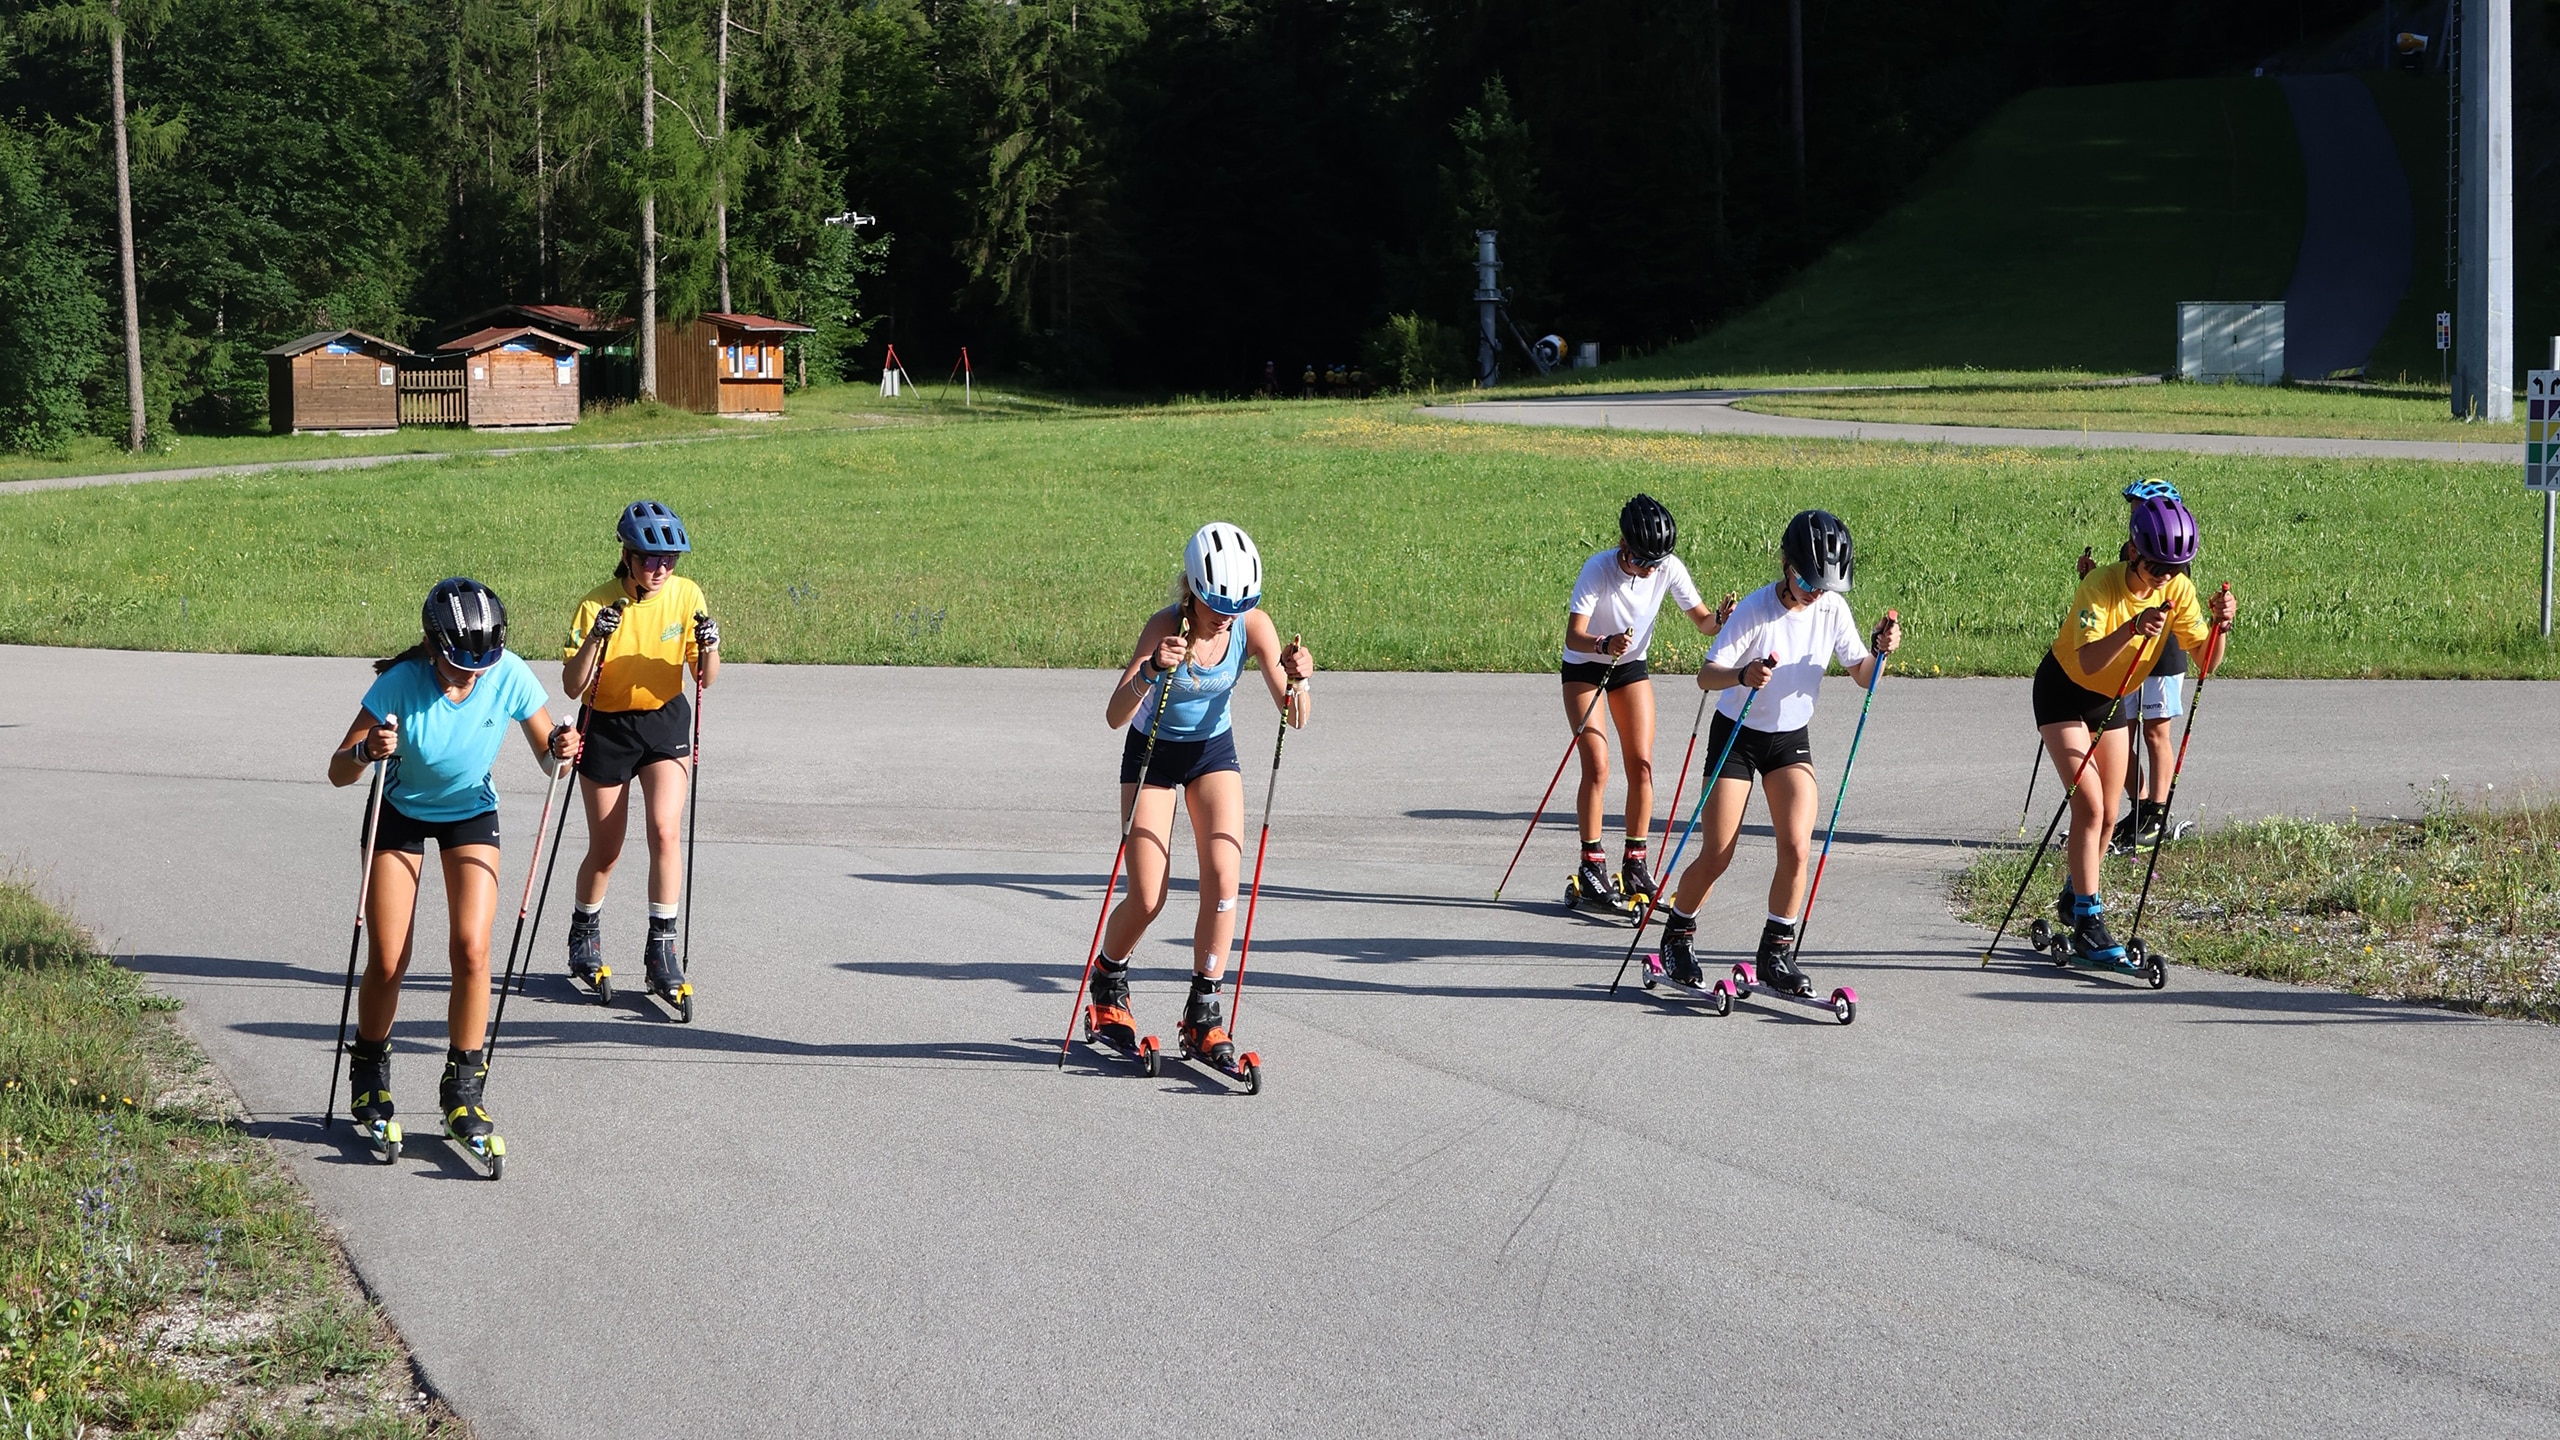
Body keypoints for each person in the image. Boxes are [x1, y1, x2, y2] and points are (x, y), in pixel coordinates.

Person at [328, 578, 579, 1161]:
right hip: (400, 812)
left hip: (471, 812)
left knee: (472, 949)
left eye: (482, 663)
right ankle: (368, 1070)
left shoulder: (508, 672)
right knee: (390, 956)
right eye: (460, 664)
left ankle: (463, 1088)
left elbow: (549, 759)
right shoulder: (399, 683)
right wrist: (367, 752)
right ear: (434, 645)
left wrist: (561, 749)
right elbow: (339, 771)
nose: (472, 675)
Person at [1090, 523, 1313, 1071]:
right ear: (1191, 588)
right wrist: (1150, 671)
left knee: (1223, 883)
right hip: (1152, 755)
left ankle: (1203, 1011)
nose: (1227, 616)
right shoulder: (1164, 626)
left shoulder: (1251, 626)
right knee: (1148, 896)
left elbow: (1296, 717)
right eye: (1216, 604)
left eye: (1239, 605)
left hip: (1212, 754)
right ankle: (1108, 978)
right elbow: (1116, 715)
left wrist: (1300, 681)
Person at [1655, 510, 1900, 995]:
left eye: (1826, 584)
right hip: (1737, 736)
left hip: (1790, 739)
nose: (1816, 591)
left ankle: (1775, 953)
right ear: (1786, 565)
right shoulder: (1755, 610)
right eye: (1808, 580)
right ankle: (1677, 935)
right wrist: (1742, 676)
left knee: (1797, 846)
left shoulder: (1831, 610)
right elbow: (1707, 676)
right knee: (1719, 852)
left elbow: (1862, 675)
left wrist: (1883, 652)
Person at [2033, 491, 2238, 967]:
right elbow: (2085, 661)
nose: (2165, 577)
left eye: (2176, 568)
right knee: (2088, 803)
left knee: (2109, 814)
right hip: (2064, 692)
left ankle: (2074, 893)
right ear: (2134, 551)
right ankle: (2088, 920)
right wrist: (2132, 629)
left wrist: (2220, 627)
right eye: (2156, 568)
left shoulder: (2177, 590)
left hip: (2110, 697)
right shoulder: (2101, 586)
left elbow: (2205, 662)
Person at [560, 500, 719, 1009]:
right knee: (607, 847)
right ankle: (584, 934)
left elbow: (703, 679)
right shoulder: (595, 604)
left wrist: (710, 646)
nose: (661, 568)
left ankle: (662, 951)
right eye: (650, 558)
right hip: (606, 726)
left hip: (664, 719)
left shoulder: (687, 595)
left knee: (665, 829)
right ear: (627, 556)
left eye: (669, 559)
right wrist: (596, 640)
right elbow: (571, 686)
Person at [1560, 494, 1734, 915]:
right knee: (1597, 764)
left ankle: (1635, 862)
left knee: (1641, 764)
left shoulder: (1667, 567)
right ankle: (1591, 862)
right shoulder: (1597, 569)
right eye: (1642, 561)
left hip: (1629, 667)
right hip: (1585, 667)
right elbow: (1574, 636)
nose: (1650, 570)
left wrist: (1722, 619)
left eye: (1656, 562)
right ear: (1624, 545)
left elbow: (1702, 621)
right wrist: (1604, 643)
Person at [2079, 480, 2189, 851]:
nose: (2133, 514)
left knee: (2156, 732)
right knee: (2115, 731)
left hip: (2162, 652)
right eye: (2132, 508)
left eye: (2139, 506)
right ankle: (2141, 806)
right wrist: (2090, 577)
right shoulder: (2135, 545)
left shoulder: (2172, 555)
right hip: (2128, 652)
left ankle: (2157, 812)